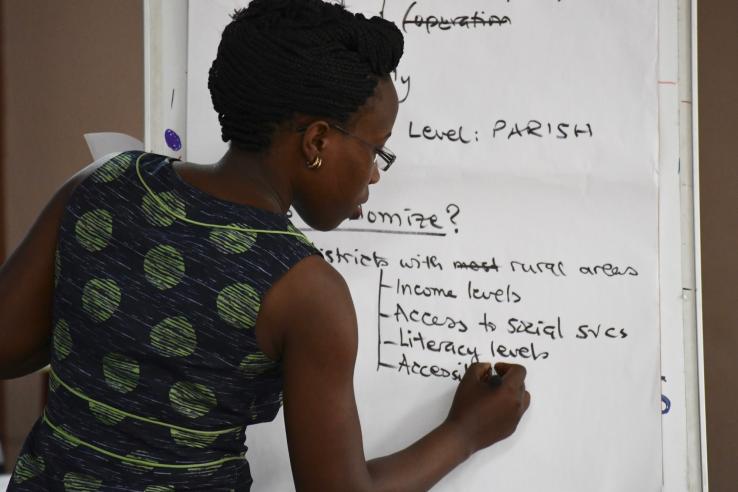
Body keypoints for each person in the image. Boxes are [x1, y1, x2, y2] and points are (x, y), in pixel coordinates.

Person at [0, 0, 530, 490]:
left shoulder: (105, 182)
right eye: (376, 151)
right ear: (317, 141)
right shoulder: (305, 289)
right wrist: (465, 432)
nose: (374, 175)